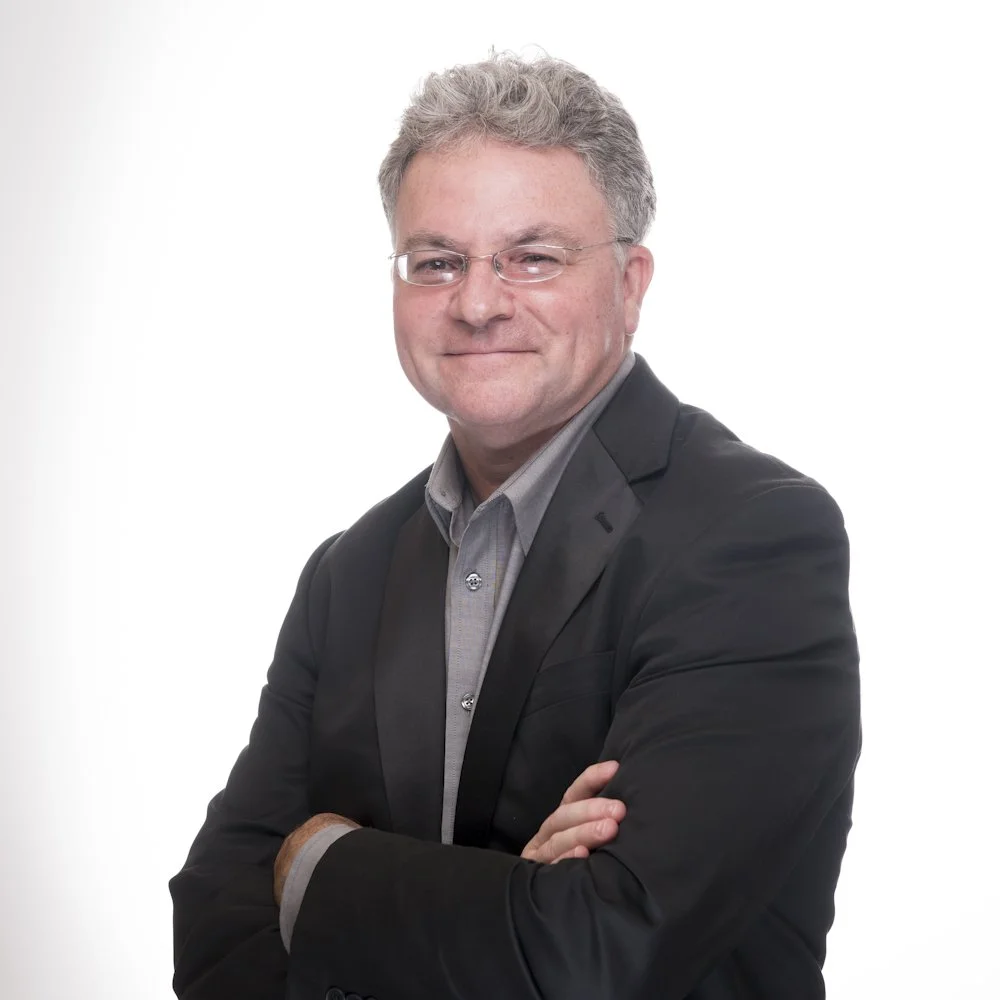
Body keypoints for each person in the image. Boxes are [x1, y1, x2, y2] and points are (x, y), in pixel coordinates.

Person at [170, 53, 860, 1000]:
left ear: (630, 283)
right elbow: (213, 934)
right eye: (438, 262)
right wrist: (515, 897)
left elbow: (595, 958)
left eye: (533, 257)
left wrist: (317, 861)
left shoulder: (752, 540)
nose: (478, 302)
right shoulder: (348, 574)